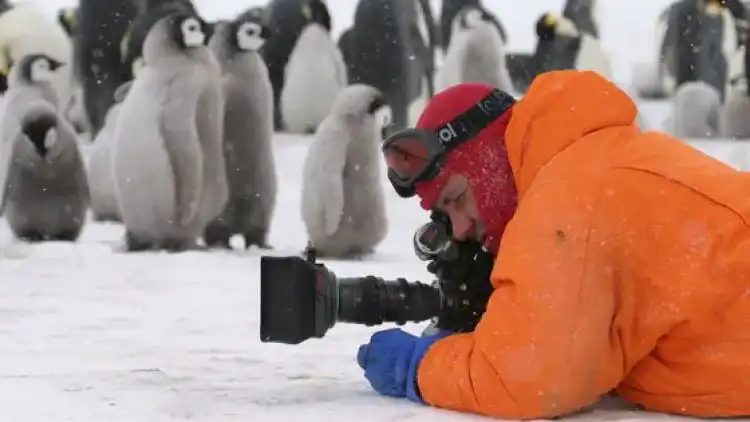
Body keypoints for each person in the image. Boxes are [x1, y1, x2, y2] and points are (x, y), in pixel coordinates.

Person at [355, 69, 750, 419]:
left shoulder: (566, 196)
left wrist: (419, 368)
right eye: (443, 215)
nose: (458, 229)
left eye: (457, 197)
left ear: (487, 155)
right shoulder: (591, 159)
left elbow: (526, 378)